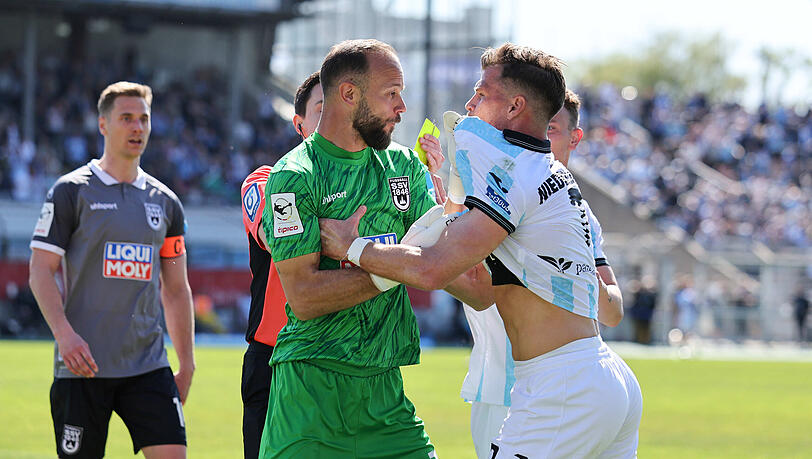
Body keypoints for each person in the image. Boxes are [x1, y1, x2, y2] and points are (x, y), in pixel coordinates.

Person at [319, 43, 642, 458]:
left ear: (514, 107)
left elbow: (435, 269)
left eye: (482, 93)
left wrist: (354, 247)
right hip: (598, 377)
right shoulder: (551, 172)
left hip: (562, 387)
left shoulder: (515, 177)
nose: (470, 103)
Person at [257, 39, 475, 458]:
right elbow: (303, 298)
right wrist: (396, 268)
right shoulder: (293, 176)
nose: (403, 107)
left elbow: (447, 268)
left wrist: (462, 206)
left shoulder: (404, 167)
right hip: (310, 397)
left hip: (386, 397)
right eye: (391, 93)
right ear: (349, 94)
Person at [28, 81, 195, 459]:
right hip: (83, 365)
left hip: (148, 364)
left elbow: (176, 288)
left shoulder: (166, 202)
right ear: (103, 125)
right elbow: (40, 270)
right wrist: (64, 336)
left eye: (144, 119)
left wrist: (186, 362)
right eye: (126, 118)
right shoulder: (71, 191)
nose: (137, 127)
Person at [458, 88, 626, 458]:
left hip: (561, 381)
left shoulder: (580, 215)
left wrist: (576, 274)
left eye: (552, 129)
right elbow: (474, 282)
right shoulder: (493, 190)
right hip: (503, 386)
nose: (540, 137)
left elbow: (613, 312)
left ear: (574, 138)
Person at [239, 71, 322, 459]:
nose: (335, 119)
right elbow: (279, 237)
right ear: (299, 124)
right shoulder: (264, 181)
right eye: (323, 110)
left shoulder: (374, 185)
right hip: (274, 359)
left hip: (341, 361)